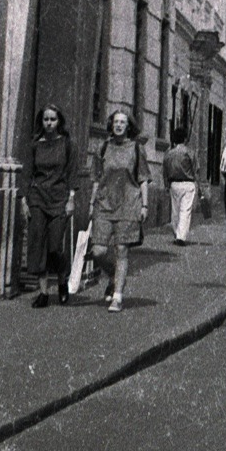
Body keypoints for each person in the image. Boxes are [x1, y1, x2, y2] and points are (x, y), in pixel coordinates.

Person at [90, 109, 151, 312]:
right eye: (115, 122)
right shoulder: (103, 147)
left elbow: (143, 178)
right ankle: (115, 275)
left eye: (122, 122)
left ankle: (117, 296)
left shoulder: (136, 149)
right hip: (104, 204)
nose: (118, 125)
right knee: (98, 252)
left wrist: (144, 205)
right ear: (111, 125)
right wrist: (91, 204)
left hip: (129, 204)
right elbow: (96, 178)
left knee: (122, 250)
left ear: (128, 126)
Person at [19, 103, 78, 306]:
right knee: (37, 244)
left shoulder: (67, 144)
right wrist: (24, 200)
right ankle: (43, 292)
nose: (49, 123)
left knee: (55, 246)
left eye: (53, 119)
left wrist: (71, 199)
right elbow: (27, 173)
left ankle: (62, 280)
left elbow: (72, 173)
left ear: (59, 121)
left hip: (59, 197)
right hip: (37, 198)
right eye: (46, 119)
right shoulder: (35, 144)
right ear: (41, 122)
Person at [163, 128, 198, 244]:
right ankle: (181, 236)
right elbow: (195, 169)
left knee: (175, 210)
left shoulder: (169, 153)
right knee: (185, 210)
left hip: (174, 183)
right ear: (184, 139)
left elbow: (165, 170)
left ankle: (176, 232)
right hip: (188, 183)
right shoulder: (189, 152)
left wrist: (166, 185)